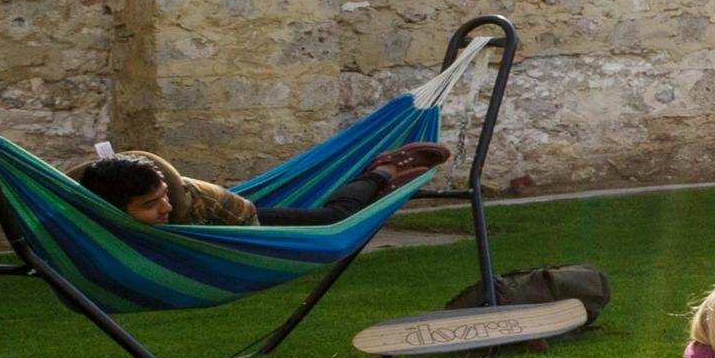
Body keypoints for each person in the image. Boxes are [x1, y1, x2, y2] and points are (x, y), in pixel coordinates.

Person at [72, 139, 445, 227]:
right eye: (150, 205)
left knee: (334, 219)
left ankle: (383, 171)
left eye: (163, 196)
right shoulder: (87, 206)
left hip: (241, 222)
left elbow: (248, 238)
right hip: (217, 217)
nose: (164, 207)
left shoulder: (193, 204)